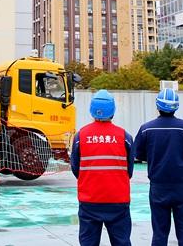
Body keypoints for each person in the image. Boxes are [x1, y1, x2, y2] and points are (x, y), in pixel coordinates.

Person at [134, 88, 183, 246]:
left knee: (159, 234)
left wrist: (153, 157)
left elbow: (138, 153)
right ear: (176, 106)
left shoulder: (147, 129)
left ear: (157, 106)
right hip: (182, 187)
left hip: (158, 186)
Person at [70, 89, 134, 246]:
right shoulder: (124, 137)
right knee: (122, 242)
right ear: (113, 111)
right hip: (118, 200)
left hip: (90, 201)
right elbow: (129, 170)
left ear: (91, 111)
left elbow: (75, 167)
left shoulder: (81, 136)